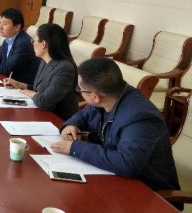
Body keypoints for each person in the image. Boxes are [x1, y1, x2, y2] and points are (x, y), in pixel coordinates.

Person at [51, 57, 181, 195]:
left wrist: (75, 148)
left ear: (95, 96)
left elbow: (126, 163)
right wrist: (71, 124)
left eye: (80, 89)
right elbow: (84, 115)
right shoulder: (109, 96)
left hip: (147, 193)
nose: (79, 92)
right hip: (112, 178)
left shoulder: (140, 118)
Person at [3, 23, 78, 120]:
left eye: (34, 40)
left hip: (58, 120)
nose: (33, 43)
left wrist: (31, 93)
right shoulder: (44, 61)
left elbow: (44, 102)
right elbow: (38, 90)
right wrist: (19, 85)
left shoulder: (65, 69)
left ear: (43, 44)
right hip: (41, 113)